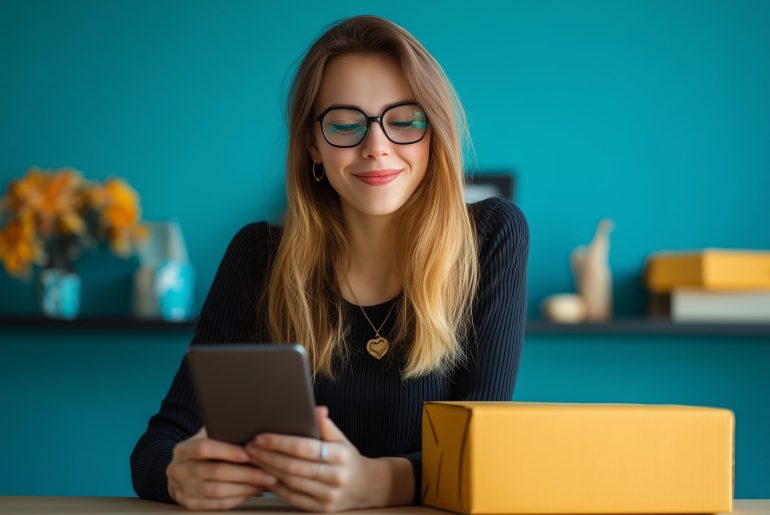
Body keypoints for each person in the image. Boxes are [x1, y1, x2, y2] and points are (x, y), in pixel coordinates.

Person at [131, 14, 528, 512]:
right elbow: (156, 448)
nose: (376, 146)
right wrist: (177, 474)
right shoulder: (258, 257)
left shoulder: (491, 235)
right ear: (313, 147)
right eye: (345, 124)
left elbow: (485, 453)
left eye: (404, 120)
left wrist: (380, 483)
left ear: (434, 135)